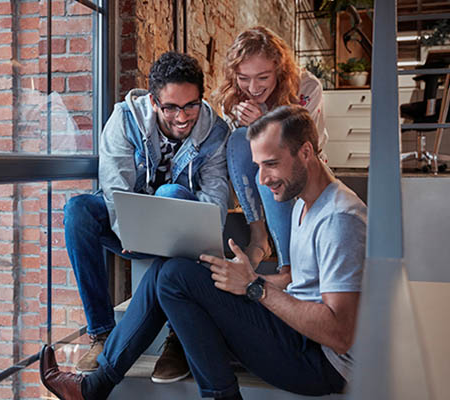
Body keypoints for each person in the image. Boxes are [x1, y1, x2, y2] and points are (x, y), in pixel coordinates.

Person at [39, 105, 366, 400]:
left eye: (271, 164)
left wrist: (255, 288)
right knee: (171, 272)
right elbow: (304, 284)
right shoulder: (306, 203)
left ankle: (98, 387)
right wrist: (243, 277)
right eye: (258, 167)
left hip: (318, 363)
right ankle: (94, 387)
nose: (263, 180)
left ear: (306, 152)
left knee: (174, 278)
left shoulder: (339, 219)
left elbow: (338, 334)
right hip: (294, 334)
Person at [63, 51, 230, 379]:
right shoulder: (125, 120)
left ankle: (178, 337)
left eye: (191, 105)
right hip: (128, 230)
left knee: (171, 195)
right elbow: (114, 191)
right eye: (171, 107)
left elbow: (214, 204)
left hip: (184, 239)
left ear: (201, 98)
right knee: (78, 211)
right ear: (154, 101)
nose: (182, 117)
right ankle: (102, 333)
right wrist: (128, 231)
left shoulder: (215, 133)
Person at [218, 26, 329, 273]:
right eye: (243, 78)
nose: (253, 87)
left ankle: (288, 265)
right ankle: (259, 236)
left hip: (304, 168)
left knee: (270, 166)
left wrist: (264, 122)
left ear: (279, 69)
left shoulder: (308, 87)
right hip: (259, 181)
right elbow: (237, 159)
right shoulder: (234, 97)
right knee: (238, 139)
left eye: (263, 77)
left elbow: (303, 146)